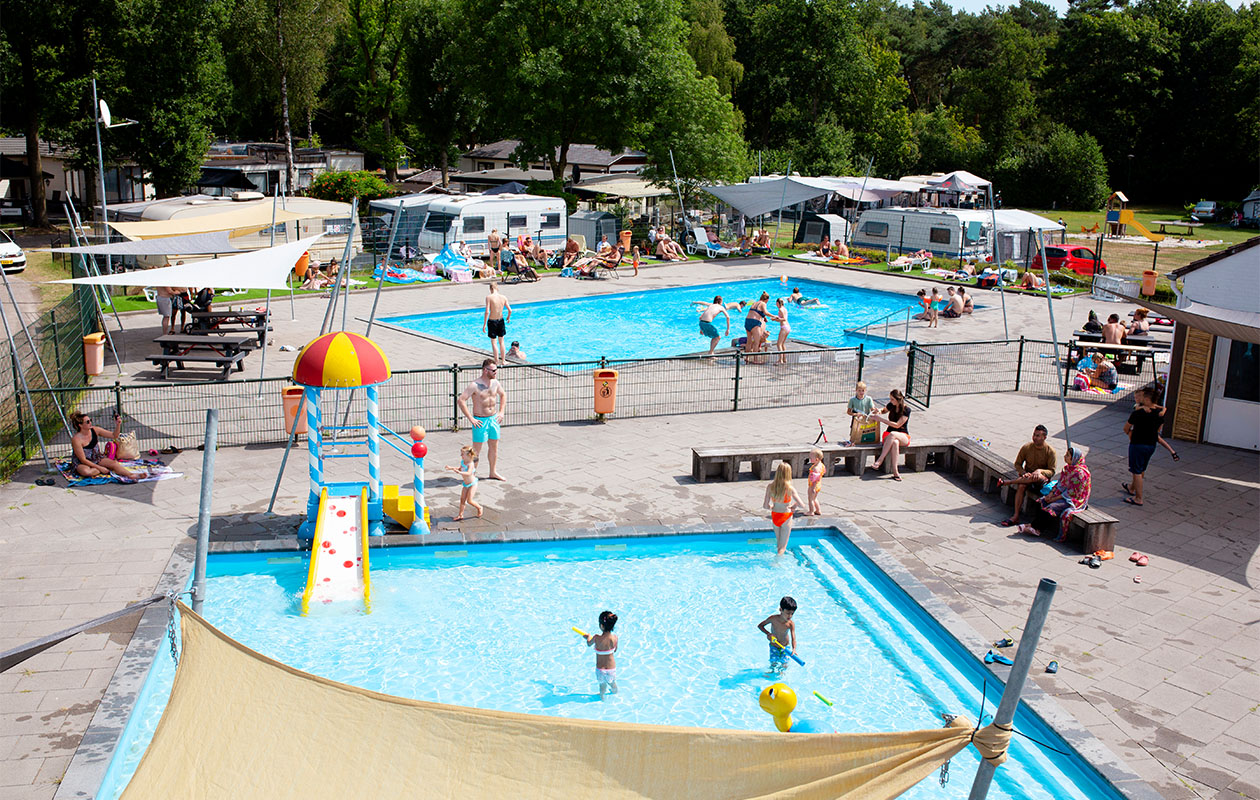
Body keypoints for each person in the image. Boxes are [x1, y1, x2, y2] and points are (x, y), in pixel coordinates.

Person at [457, 358, 507, 480]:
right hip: (480, 420)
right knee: (476, 450)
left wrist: (501, 412)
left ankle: (493, 472)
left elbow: (503, 394)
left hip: (493, 419)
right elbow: (461, 400)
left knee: (494, 446)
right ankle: (472, 474)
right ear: (485, 370)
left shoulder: (495, 383)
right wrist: (471, 419)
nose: (496, 372)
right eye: (493, 370)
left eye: (496, 369)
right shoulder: (475, 385)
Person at [997, 425, 1057, 527]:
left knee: (1037, 476)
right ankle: (1015, 516)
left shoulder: (1050, 451)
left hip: (1041, 481)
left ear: (1044, 437)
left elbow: (1052, 471)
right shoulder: (1027, 447)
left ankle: (1008, 482)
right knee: (1021, 486)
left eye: (1038, 436)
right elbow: (1017, 464)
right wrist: (1023, 472)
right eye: (1034, 435)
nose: (1035, 437)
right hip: (1026, 478)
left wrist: (1040, 471)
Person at [1033, 446, 1091, 542]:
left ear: (1074, 458)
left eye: (1067, 455)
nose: (1065, 456)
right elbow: (1060, 484)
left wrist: (1053, 499)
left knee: (1052, 507)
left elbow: (1071, 493)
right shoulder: (1067, 469)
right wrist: (1051, 494)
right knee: (1041, 500)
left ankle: (1038, 529)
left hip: (1073, 500)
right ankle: (1034, 526)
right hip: (1062, 494)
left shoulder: (1080, 474)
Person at [1123, 387, 1166, 506]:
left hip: (1137, 444)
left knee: (1136, 470)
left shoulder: (1138, 413)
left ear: (1147, 399)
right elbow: (1158, 430)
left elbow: (1126, 428)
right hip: (1151, 445)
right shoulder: (1160, 414)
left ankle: (1138, 498)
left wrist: (1130, 433)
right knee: (1141, 468)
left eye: (1142, 397)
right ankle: (1132, 488)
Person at [69, 411, 140, 482]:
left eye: (90, 420)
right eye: (87, 422)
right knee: (86, 472)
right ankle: (100, 470)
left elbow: (114, 435)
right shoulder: (76, 440)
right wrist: (99, 468)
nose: (90, 423)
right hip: (83, 463)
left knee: (114, 463)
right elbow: (83, 460)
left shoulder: (95, 430)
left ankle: (131, 475)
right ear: (80, 425)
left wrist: (118, 425)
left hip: (96, 458)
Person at [763, 462, 804, 555]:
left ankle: (777, 559)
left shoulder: (770, 486)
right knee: (782, 547)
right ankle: (777, 564)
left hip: (775, 515)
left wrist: (772, 507)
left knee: (779, 544)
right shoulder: (790, 488)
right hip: (786, 516)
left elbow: (765, 506)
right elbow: (802, 505)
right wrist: (794, 506)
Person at [869, 388, 910, 481]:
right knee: (894, 442)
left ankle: (880, 459)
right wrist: (878, 411)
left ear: (898, 399)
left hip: (902, 435)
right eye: (890, 399)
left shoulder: (906, 410)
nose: (890, 401)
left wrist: (881, 419)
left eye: (892, 399)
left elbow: (897, 425)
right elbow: (884, 410)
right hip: (890, 435)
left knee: (893, 434)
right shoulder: (892, 405)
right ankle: (895, 472)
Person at [582, 611, 619, 699]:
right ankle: (615, 693)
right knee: (612, 683)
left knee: (602, 686)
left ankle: (602, 697)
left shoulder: (596, 638)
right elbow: (615, 650)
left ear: (601, 626)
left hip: (600, 669)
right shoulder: (615, 638)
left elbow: (589, 644)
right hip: (611, 668)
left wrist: (587, 637)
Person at [756, 596, 798, 673]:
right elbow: (760, 626)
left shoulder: (791, 624)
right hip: (774, 645)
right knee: (773, 663)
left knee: (784, 665)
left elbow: (793, 638)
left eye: (792, 613)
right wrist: (768, 634)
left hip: (785, 647)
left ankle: (781, 675)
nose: (790, 616)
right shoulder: (773, 619)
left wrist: (794, 649)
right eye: (788, 613)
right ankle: (771, 673)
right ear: (780, 610)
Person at [445, 445, 483, 521]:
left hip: (472, 484)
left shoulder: (470, 464)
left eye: (462, 454)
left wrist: (459, 472)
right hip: (466, 484)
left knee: (469, 500)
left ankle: (479, 507)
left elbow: (468, 473)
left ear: (469, 455)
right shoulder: (463, 462)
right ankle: (460, 515)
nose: (461, 456)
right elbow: (460, 468)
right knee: (462, 499)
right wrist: (451, 468)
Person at [482, 282, 511, 365]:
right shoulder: (503, 297)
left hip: (492, 321)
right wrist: (508, 317)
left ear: (491, 289)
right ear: (497, 288)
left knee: (494, 342)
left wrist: (484, 324)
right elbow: (510, 310)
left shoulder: (489, 297)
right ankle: (504, 360)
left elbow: (487, 311)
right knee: (502, 341)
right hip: (501, 320)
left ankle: (497, 361)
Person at [743, 292, 771, 362]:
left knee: (749, 342)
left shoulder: (754, 303)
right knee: (756, 342)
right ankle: (755, 360)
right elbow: (766, 312)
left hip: (747, 321)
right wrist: (774, 316)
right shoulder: (763, 303)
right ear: (766, 299)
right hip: (755, 322)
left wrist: (764, 317)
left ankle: (747, 358)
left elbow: (756, 312)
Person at [770, 298, 791, 364]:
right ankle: (784, 359)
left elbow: (784, 319)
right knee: (782, 344)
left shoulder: (780, 309)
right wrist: (777, 318)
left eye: (776, 303)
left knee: (779, 344)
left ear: (778, 303)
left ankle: (780, 360)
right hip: (788, 327)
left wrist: (774, 319)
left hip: (784, 327)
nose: (776, 305)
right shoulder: (784, 308)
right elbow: (782, 317)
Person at [806, 448, 825, 516]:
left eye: (811, 458)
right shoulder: (821, 465)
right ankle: (818, 510)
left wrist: (813, 488)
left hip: (813, 485)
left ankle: (811, 511)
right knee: (814, 498)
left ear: (816, 459)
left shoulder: (815, 468)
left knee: (810, 499)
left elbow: (815, 479)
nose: (810, 459)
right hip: (818, 485)